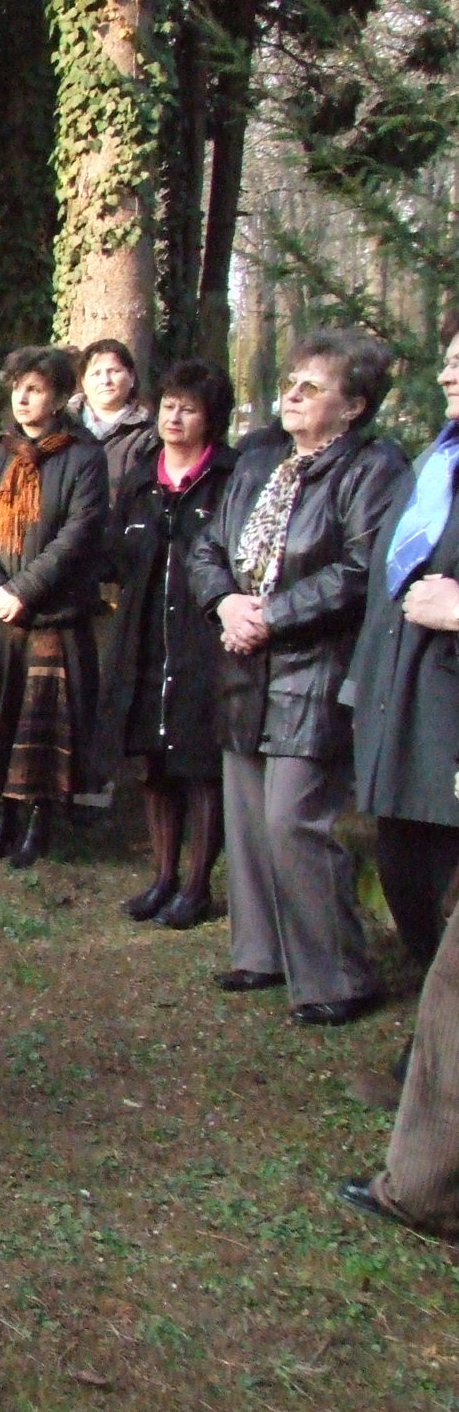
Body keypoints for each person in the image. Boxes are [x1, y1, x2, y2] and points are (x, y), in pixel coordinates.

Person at [187, 330, 410, 1025]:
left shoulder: (372, 469)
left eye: (312, 387)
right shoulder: (261, 459)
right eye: (289, 382)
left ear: (354, 405)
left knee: (295, 821)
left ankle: (338, 977)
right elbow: (207, 546)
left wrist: (272, 616)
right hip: (242, 663)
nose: (291, 395)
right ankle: (262, 953)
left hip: (316, 669)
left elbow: (360, 570)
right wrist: (226, 603)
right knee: (249, 818)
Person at [0, 346, 109, 867]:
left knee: (42, 724)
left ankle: (40, 821)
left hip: (52, 614)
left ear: (58, 397)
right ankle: (2, 818)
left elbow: (77, 535)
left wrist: (24, 591)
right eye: (18, 387)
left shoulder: (84, 457)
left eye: (35, 389)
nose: (22, 398)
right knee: (0, 715)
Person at [94, 359, 236, 930]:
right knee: (152, 762)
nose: (174, 418)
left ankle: (197, 886)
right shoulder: (139, 479)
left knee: (198, 763)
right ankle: (163, 876)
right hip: (144, 636)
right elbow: (114, 557)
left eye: (189, 409)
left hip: (203, 640)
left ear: (211, 419)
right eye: (169, 406)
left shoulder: (229, 478)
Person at [345, 323, 459, 970]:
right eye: (447, 360)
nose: (446, 374)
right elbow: (384, 587)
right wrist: (361, 687)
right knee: (404, 864)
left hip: (449, 714)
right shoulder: (432, 465)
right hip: (404, 704)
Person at [72, 338, 159, 495]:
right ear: (83, 382)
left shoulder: (149, 433)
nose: (105, 381)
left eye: (113, 371)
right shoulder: (64, 423)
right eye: (96, 373)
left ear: (131, 377)